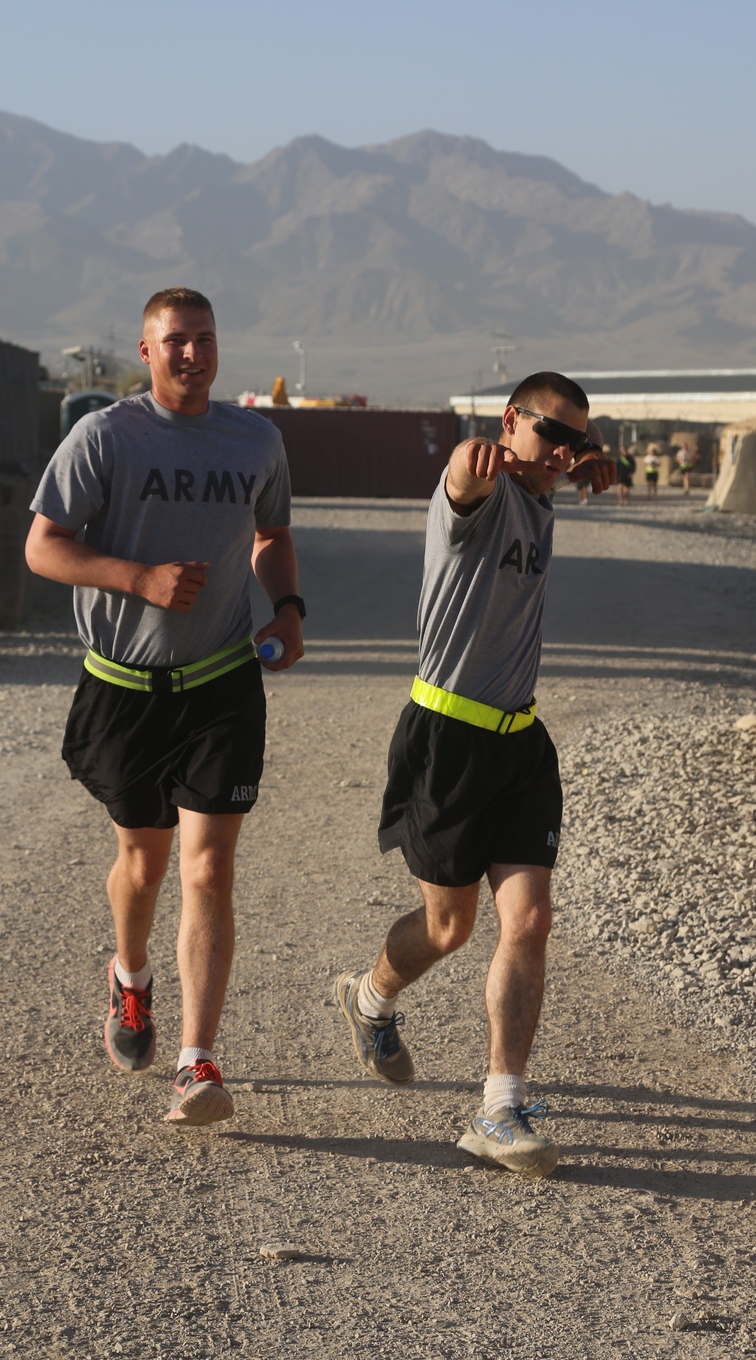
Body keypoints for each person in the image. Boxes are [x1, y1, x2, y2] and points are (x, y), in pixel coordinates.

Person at [25, 288, 304, 1127]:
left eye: (205, 339)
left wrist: (287, 610)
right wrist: (137, 580)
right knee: (143, 868)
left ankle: (198, 1061)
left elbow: (272, 536)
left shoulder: (257, 438)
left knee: (208, 868)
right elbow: (42, 546)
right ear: (146, 352)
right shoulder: (105, 436)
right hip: (123, 688)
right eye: (176, 341)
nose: (193, 354)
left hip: (220, 683)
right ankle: (130, 977)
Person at [336, 373, 615, 1177]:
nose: (562, 451)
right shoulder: (482, 488)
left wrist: (588, 465)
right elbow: (463, 478)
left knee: (529, 921)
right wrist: (470, 461)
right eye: (549, 433)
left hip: (521, 741)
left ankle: (500, 1108)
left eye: (577, 440)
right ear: (507, 421)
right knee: (449, 928)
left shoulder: (541, 484)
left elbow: (558, 460)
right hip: (448, 737)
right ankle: (368, 998)